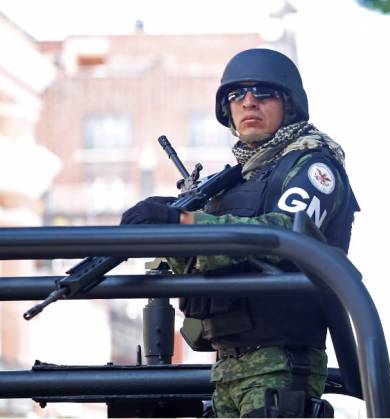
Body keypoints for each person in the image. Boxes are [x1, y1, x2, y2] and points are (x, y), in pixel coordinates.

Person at [121, 48, 359, 417]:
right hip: (227, 365)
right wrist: (168, 227)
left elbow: (287, 235)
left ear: (289, 104)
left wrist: (183, 224)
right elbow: (202, 265)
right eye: (237, 95)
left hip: (279, 364)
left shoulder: (313, 165)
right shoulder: (234, 183)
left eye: (263, 93)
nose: (248, 102)